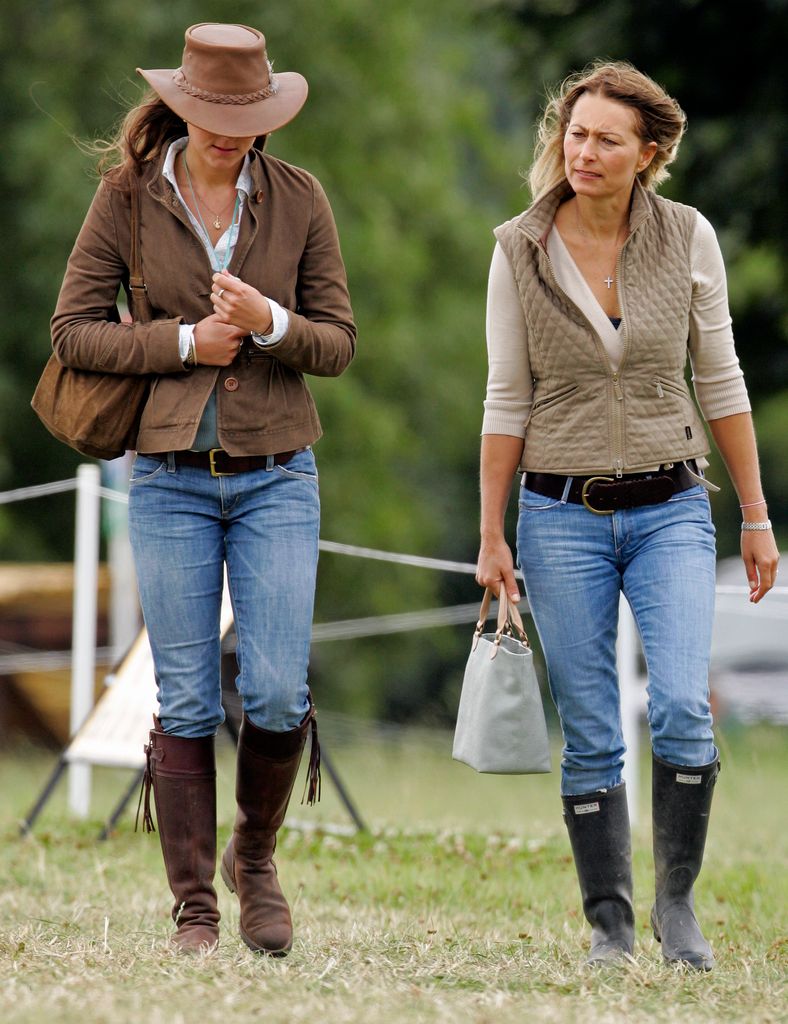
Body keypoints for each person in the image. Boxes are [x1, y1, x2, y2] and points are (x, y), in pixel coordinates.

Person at [50, 23, 356, 955]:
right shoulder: (126, 196)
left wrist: (269, 323)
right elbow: (72, 331)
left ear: (267, 116)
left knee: (276, 689)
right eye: (210, 116)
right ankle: (194, 909)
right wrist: (184, 342)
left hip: (279, 477)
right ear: (181, 108)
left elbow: (338, 343)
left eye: (243, 119)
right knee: (185, 700)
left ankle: (252, 859)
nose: (227, 135)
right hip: (169, 480)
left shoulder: (300, 198)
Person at [476, 60, 778, 970]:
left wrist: (755, 515)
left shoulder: (687, 236)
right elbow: (505, 397)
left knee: (683, 705)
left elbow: (720, 380)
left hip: (671, 507)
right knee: (593, 728)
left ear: (647, 154)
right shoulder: (519, 247)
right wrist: (491, 533)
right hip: (557, 514)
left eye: (608, 140)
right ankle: (609, 924)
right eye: (576, 134)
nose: (586, 152)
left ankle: (675, 906)